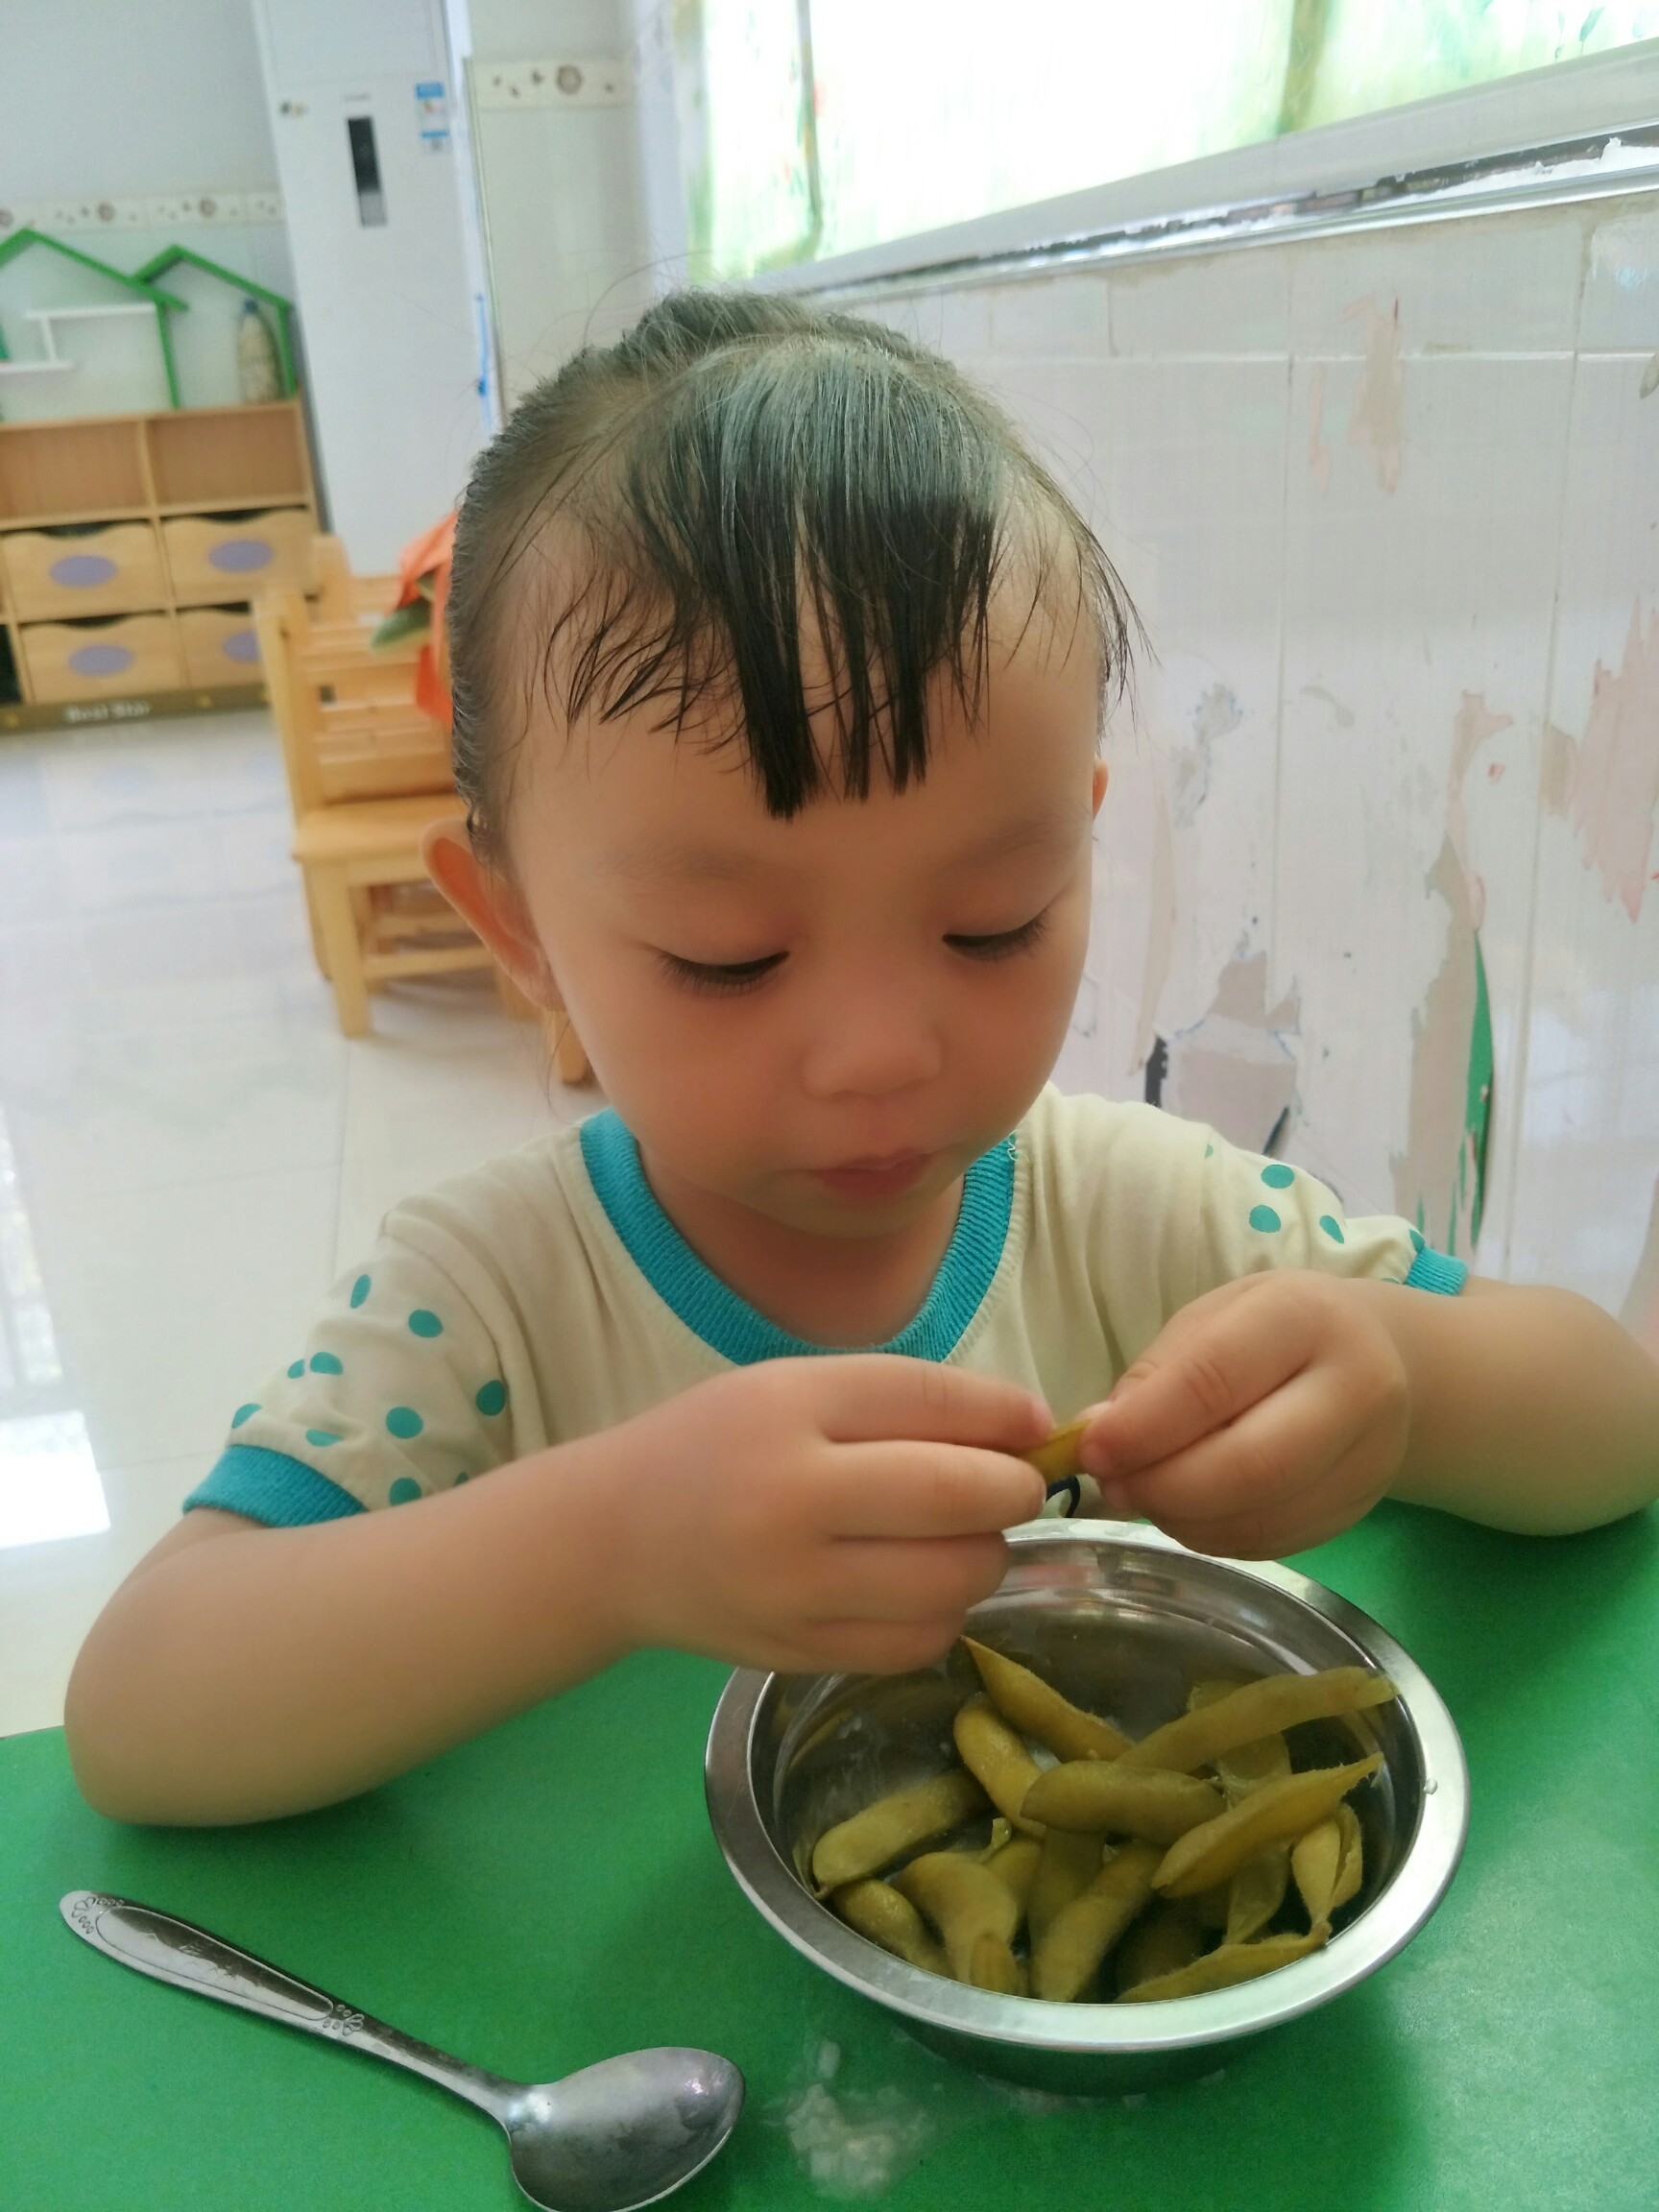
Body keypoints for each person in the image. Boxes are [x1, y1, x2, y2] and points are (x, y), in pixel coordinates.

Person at [65, 293, 1659, 1828]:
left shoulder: (1146, 1221)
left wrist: (1405, 1383)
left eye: (991, 923)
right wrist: (609, 1548)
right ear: (519, 928)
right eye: (731, 958)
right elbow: (141, 1714)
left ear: (1081, 843)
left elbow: (1618, 1422)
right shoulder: (491, 1304)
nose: (883, 1056)